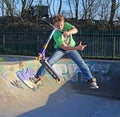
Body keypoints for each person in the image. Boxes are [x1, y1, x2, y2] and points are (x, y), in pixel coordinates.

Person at [33, 14, 99, 89]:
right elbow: (64, 47)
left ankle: (90, 80)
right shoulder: (56, 34)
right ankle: (37, 76)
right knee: (49, 62)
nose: (60, 27)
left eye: (61, 25)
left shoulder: (67, 25)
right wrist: (77, 48)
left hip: (72, 48)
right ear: (54, 25)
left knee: (81, 63)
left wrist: (69, 32)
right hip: (61, 49)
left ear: (63, 23)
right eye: (57, 25)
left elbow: (75, 30)